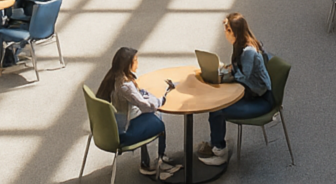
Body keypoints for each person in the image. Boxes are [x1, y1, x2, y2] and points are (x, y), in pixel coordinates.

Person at [199, 13, 274, 166]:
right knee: (217, 102)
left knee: (217, 110)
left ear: (233, 32)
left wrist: (226, 75)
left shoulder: (248, 52)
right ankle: (216, 143)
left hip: (261, 99)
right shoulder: (241, 44)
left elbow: (243, 77)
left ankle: (220, 151)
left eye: (227, 30)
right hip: (251, 91)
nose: (225, 33)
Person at [96, 46, 180, 179]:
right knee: (157, 121)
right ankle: (154, 163)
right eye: (135, 60)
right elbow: (147, 106)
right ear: (128, 65)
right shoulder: (125, 86)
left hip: (110, 130)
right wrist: (161, 100)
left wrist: (146, 96)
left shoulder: (113, 78)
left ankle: (150, 160)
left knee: (152, 117)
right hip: (123, 134)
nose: (137, 63)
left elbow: (137, 98)